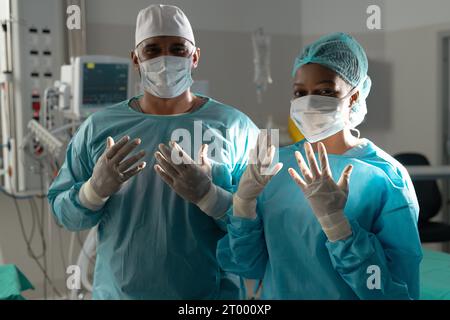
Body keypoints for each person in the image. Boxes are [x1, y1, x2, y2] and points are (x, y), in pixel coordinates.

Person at [47, 4, 258, 299]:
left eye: (177, 49)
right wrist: (94, 191)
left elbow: (258, 227)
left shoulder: (234, 128)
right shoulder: (100, 128)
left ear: (195, 56)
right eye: (152, 50)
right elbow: (65, 215)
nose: (165, 59)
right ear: (135, 59)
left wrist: (211, 197)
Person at [215, 32, 423, 299]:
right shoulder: (273, 166)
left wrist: (338, 226)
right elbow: (246, 266)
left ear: (354, 97)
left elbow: (395, 292)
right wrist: (244, 205)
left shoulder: (385, 178)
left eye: (325, 91)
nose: (309, 101)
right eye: (300, 93)